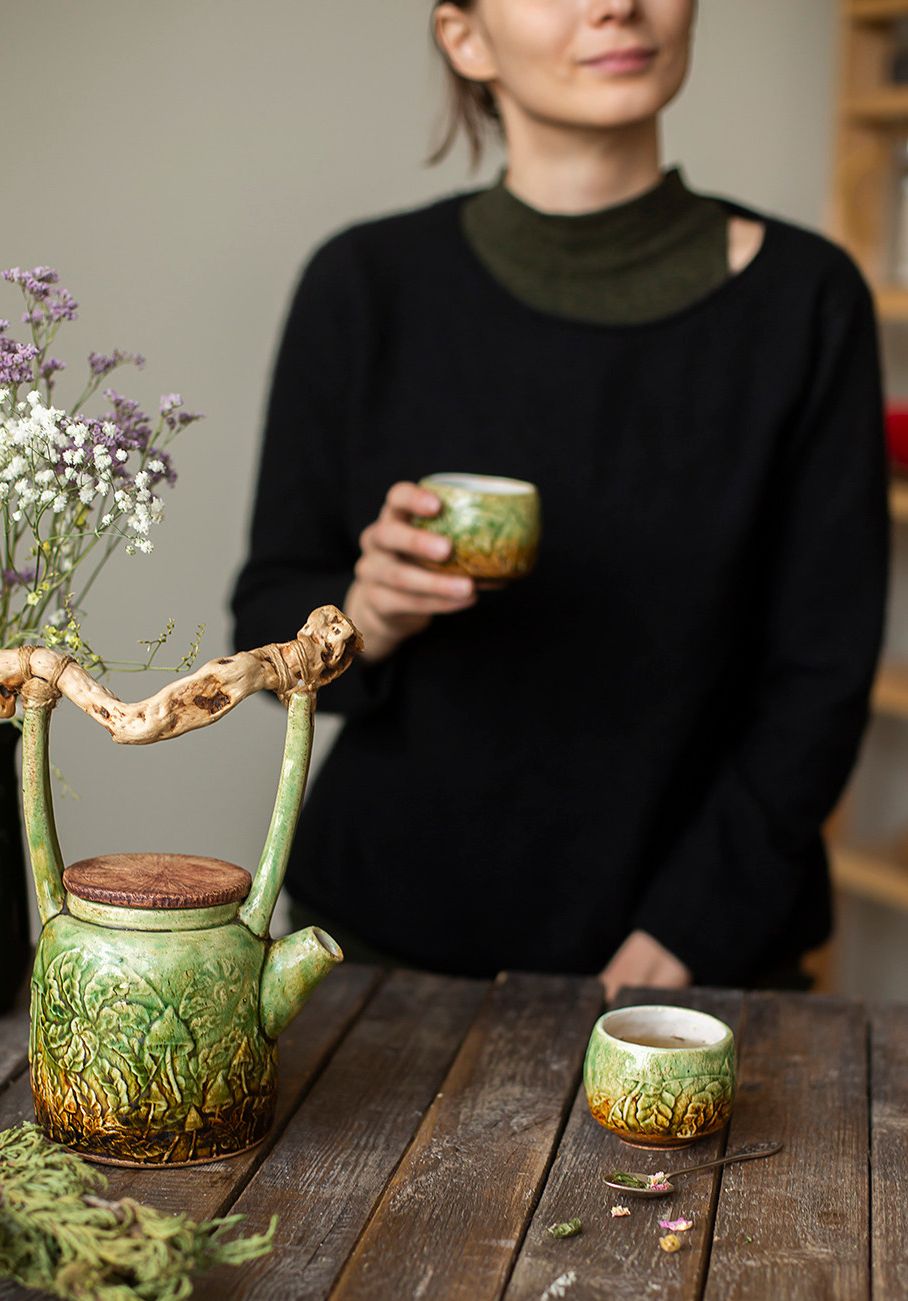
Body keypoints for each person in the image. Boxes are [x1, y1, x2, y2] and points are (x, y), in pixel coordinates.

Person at [232, 0, 889, 995]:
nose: (614, 4)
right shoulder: (363, 285)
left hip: (692, 961)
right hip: (380, 952)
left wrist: (689, 930)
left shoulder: (806, 301)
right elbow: (265, 620)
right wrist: (367, 612)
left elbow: (820, 673)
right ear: (463, 36)